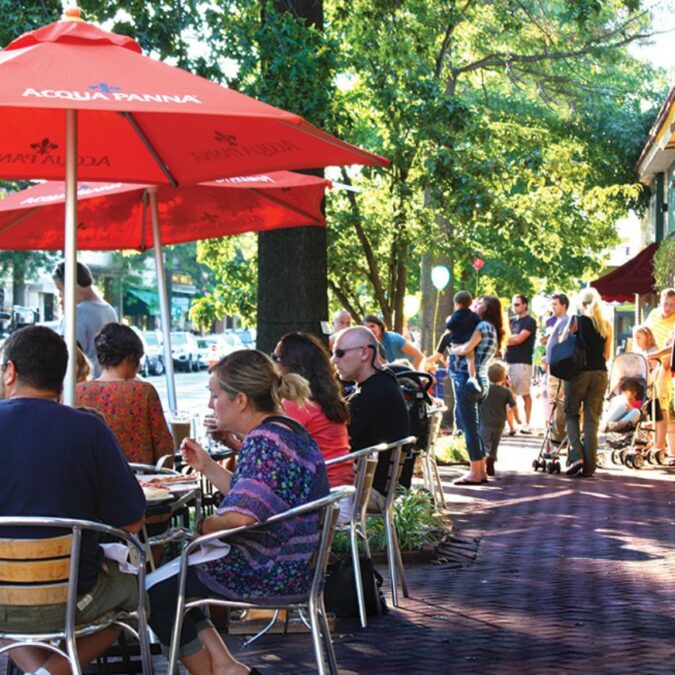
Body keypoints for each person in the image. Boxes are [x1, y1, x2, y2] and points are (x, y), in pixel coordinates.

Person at [147, 350, 329, 675]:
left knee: (156, 596)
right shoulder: (285, 431)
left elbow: (241, 517)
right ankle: (227, 666)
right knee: (170, 579)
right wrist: (207, 466)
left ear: (241, 400)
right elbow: (256, 499)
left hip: (270, 567)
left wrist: (205, 525)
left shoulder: (264, 442)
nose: (210, 405)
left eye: (215, 396)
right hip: (291, 560)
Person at [0, 326, 145, 675]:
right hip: (70, 598)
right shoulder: (89, 429)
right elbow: (132, 520)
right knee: (137, 595)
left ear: (10, 371)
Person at [331, 326, 409, 507]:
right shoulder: (382, 382)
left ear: (364, 353)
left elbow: (335, 441)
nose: (334, 360)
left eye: (339, 353)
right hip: (374, 486)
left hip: (368, 492)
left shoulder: (374, 393)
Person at [75, 322, 173, 466]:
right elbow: (164, 450)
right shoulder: (144, 392)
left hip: (89, 482)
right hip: (140, 481)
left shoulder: (77, 392)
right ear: (130, 359)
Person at [272, 332, 353, 490]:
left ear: (291, 366)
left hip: (321, 497)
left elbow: (269, 453)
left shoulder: (298, 405)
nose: (271, 363)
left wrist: (230, 437)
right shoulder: (325, 400)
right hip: (341, 490)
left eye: (275, 358)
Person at [450, 295, 503, 485]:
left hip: (470, 382)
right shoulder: (493, 329)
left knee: (469, 428)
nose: (475, 305)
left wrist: (452, 350)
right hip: (483, 380)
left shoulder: (481, 327)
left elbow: (466, 348)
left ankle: (474, 471)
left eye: (480, 303)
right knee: (475, 426)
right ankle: (480, 471)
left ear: (487, 309)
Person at [564, 287, 612, 477]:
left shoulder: (576, 321)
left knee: (571, 414)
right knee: (592, 419)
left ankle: (577, 456)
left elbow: (566, 344)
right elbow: (606, 355)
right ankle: (590, 466)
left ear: (581, 304)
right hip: (600, 372)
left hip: (578, 372)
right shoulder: (606, 324)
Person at [53, 261, 117, 377]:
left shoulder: (77, 313)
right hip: (105, 384)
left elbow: (67, 359)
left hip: (82, 387)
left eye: (60, 290)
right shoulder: (110, 310)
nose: (60, 298)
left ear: (71, 285)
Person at [644, 289, 675, 459]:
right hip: (648, 364)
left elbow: (673, 346)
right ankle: (648, 444)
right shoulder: (654, 314)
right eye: (665, 304)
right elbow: (644, 333)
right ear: (660, 302)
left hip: (664, 365)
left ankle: (660, 448)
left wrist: (659, 356)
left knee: (662, 405)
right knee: (648, 405)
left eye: (672, 305)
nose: (668, 308)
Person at [424, 290, 480, 383]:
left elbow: (437, 355)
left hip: (457, 355)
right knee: (471, 360)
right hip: (471, 353)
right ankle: (472, 379)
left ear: (457, 304)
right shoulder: (474, 317)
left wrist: (425, 361)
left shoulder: (448, 334)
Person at [479, 361, 520, 476]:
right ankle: (492, 458)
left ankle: (484, 461)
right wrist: (518, 419)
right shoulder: (506, 391)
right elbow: (514, 406)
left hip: (485, 422)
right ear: (503, 376)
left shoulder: (484, 389)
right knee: (494, 444)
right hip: (500, 423)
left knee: (484, 443)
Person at [505, 294, 537, 434]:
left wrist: (506, 339)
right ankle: (511, 426)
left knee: (524, 393)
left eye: (517, 304)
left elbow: (519, 339)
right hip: (508, 362)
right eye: (513, 304)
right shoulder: (510, 322)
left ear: (525, 305)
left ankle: (527, 423)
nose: (515, 307)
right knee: (508, 395)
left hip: (522, 362)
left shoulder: (530, 321)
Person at [541, 293, 570, 439]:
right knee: (551, 400)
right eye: (552, 304)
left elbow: (561, 344)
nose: (553, 307)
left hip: (557, 370)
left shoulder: (565, 321)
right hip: (552, 366)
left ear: (564, 305)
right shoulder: (557, 321)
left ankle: (557, 436)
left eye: (556, 304)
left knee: (556, 400)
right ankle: (553, 434)